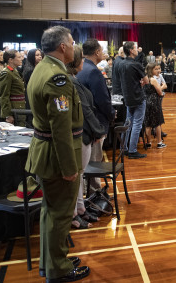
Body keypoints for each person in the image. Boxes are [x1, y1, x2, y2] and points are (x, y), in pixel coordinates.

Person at [26, 25, 90, 282]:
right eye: (72, 42)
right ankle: (59, 269)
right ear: (63, 47)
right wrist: (69, 167)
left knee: (49, 211)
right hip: (57, 155)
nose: (75, 46)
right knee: (61, 215)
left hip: (45, 151)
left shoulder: (44, 69)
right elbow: (61, 129)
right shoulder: (57, 78)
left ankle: (51, 261)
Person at [66, 45, 104, 229]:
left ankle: (80, 209)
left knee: (79, 176)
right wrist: (98, 131)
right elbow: (85, 110)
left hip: (85, 134)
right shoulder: (71, 82)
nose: (83, 62)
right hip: (81, 134)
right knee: (76, 177)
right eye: (81, 59)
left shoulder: (74, 79)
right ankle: (74, 214)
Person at [76, 39, 115, 191]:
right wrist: (112, 114)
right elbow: (102, 100)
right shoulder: (93, 71)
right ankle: (94, 194)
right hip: (95, 124)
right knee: (94, 161)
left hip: (85, 122)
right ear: (97, 52)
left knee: (88, 161)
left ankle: (89, 191)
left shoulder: (82, 67)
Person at [120, 42, 148, 159]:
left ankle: (124, 148)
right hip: (138, 97)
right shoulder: (136, 65)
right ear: (131, 50)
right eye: (136, 48)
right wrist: (140, 84)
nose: (137, 50)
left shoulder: (121, 64)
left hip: (127, 97)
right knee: (137, 123)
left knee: (128, 123)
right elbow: (146, 81)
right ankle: (132, 150)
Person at [0, 50, 26, 125]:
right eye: (19, 57)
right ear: (11, 60)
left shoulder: (14, 71)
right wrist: (8, 114)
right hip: (14, 109)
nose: (21, 59)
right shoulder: (6, 73)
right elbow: (4, 95)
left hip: (19, 107)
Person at [144, 63, 167, 149]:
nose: (158, 71)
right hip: (154, 102)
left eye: (158, 69)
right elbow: (160, 92)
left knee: (148, 123)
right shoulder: (153, 79)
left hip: (147, 102)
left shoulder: (145, 78)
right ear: (151, 70)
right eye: (156, 69)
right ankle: (159, 142)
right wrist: (162, 87)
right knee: (157, 123)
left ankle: (148, 143)